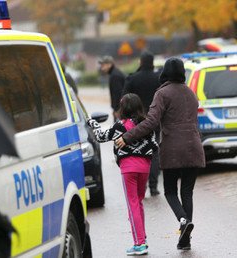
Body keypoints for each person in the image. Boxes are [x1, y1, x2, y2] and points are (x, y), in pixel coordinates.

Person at [116, 58, 205, 250]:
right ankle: (185, 239)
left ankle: (183, 220)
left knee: (170, 191)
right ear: (182, 73)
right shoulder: (191, 93)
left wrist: (127, 136)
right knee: (187, 192)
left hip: (173, 149)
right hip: (194, 147)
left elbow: (150, 123)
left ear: (165, 72)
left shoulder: (162, 94)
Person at [87, 93, 158, 256]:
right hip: (145, 167)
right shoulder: (146, 125)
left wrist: (92, 122)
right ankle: (141, 239)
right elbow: (153, 144)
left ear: (123, 108)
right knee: (138, 202)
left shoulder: (120, 126)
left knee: (132, 203)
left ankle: (140, 243)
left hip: (128, 169)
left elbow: (100, 137)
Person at [123, 51, 161, 196]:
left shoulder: (132, 79)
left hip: (136, 122)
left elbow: (124, 99)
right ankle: (153, 186)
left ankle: (141, 187)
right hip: (154, 120)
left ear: (140, 62)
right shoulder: (158, 78)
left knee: (138, 153)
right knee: (154, 152)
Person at [99, 55, 125, 121]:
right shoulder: (114, 73)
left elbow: (118, 94)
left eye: (103, 65)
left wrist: (117, 110)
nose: (101, 68)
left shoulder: (115, 76)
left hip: (120, 110)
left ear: (109, 64)